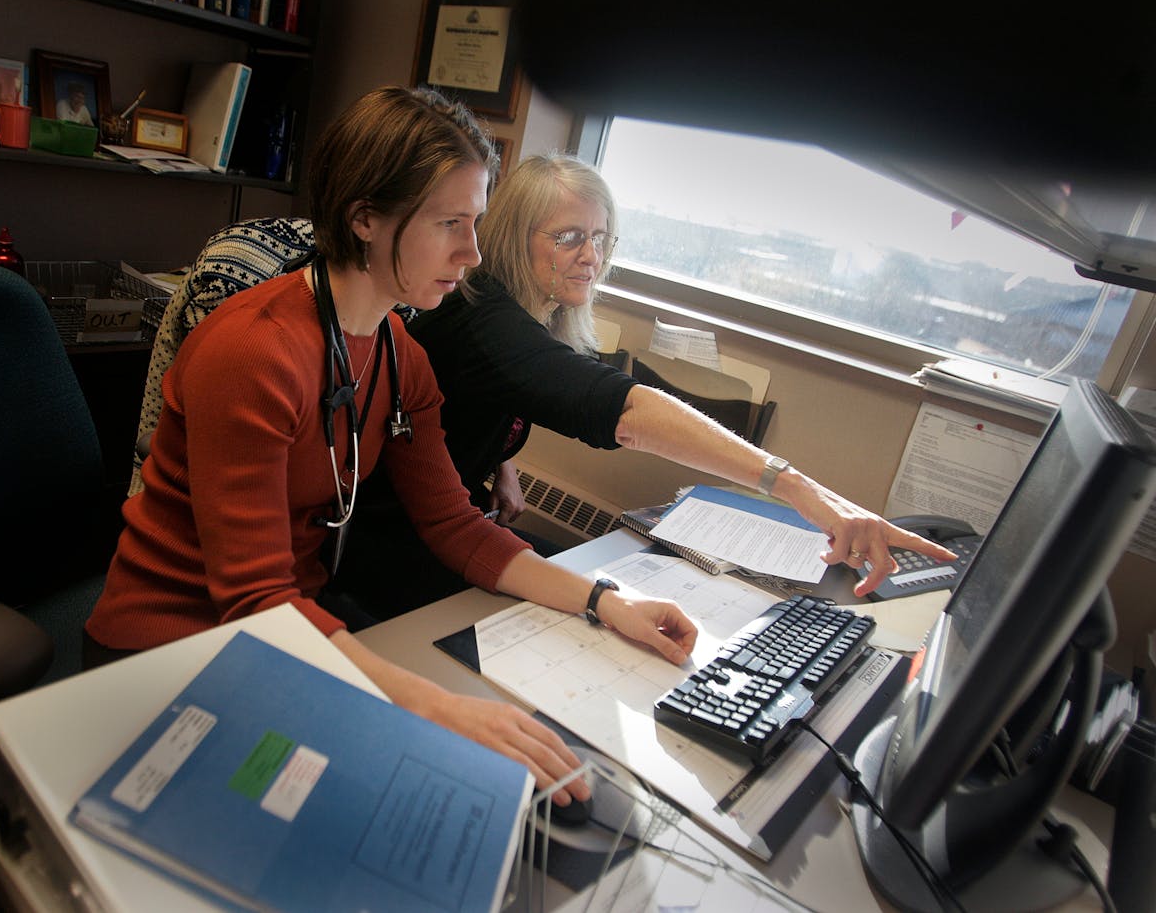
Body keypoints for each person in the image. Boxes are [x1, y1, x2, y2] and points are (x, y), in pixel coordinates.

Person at [83, 88, 699, 809]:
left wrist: (604, 600)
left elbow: (454, 524)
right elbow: (253, 600)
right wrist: (437, 706)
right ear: (365, 218)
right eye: (449, 224)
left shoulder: (397, 351)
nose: (472, 253)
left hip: (287, 632)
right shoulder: (253, 353)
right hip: (167, 649)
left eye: (475, 223)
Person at [332, 152, 956, 622]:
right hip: (393, 540)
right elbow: (615, 407)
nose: (590, 255)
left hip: (456, 511)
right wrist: (797, 487)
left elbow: (489, 393)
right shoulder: (483, 318)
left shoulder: (516, 316)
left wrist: (500, 461)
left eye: (601, 237)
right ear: (510, 238)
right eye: (568, 236)